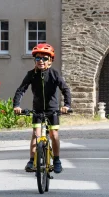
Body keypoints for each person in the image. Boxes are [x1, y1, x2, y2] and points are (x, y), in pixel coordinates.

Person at [13, 43, 71, 174]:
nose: (41, 61)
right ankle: (31, 160)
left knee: (54, 135)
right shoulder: (31, 74)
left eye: (44, 58)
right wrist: (16, 106)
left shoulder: (54, 74)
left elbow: (65, 89)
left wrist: (67, 106)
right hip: (38, 110)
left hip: (52, 110)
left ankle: (56, 160)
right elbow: (21, 90)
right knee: (36, 134)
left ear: (50, 61)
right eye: (38, 58)